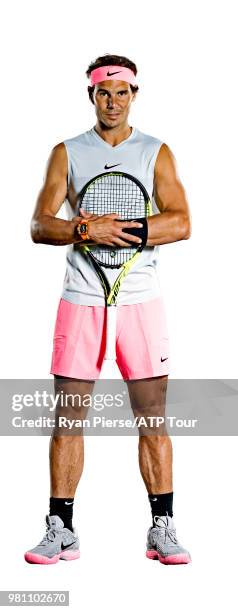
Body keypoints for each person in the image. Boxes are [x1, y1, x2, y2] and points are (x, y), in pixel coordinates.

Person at [25, 53, 192, 565]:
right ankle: (62, 529)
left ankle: (161, 528)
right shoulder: (66, 152)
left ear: (134, 94)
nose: (113, 102)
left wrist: (121, 231)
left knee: (152, 416)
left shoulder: (155, 151)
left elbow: (181, 221)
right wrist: (82, 228)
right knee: (67, 416)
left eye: (122, 92)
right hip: (82, 299)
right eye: (103, 92)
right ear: (91, 95)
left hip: (140, 301)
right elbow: (38, 224)